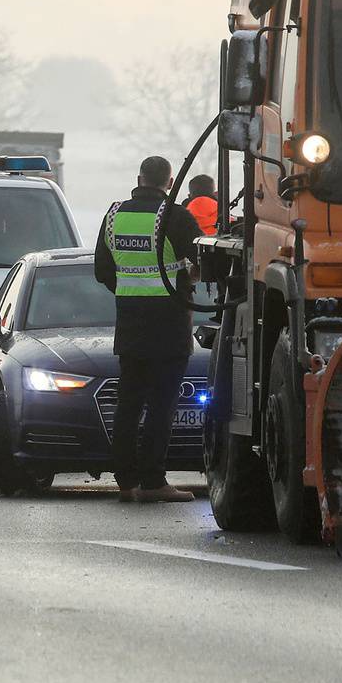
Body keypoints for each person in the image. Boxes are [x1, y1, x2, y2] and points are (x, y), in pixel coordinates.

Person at [95, 154, 202, 503]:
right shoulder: (176, 216)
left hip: (129, 324)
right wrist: (184, 282)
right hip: (170, 326)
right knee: (161, 405)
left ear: (139, 179)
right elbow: (202, 262)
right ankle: (154, 480)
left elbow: (103, 271)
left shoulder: (113, 216)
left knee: (128, 404)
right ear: (169, 183)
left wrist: (130, 291)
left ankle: (126, 480)